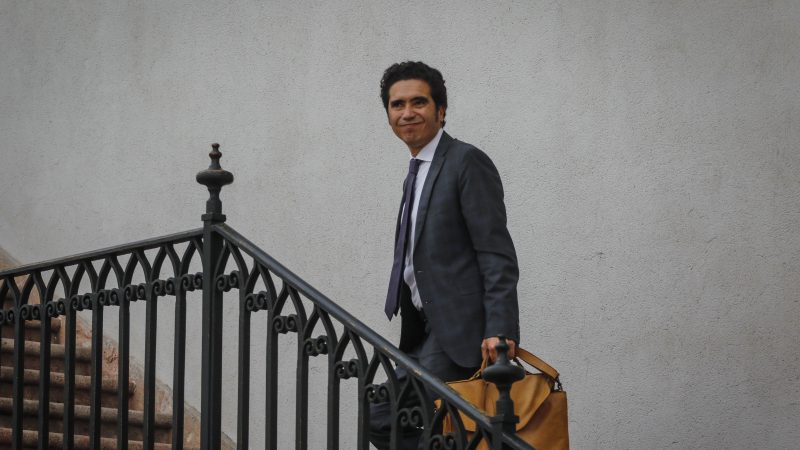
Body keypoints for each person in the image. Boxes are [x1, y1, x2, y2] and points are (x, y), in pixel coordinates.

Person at [370, 61, 520, 449]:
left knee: (428, 425)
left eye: (418, 102)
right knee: (379, 415)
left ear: (441, 110)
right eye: (397, 104)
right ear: (388, 115)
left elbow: (496, 252)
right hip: (421, 331)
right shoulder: (416, 172)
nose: (407, 112)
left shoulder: (465, 161)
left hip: (458, 331)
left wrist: (500, 329)